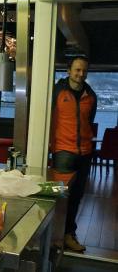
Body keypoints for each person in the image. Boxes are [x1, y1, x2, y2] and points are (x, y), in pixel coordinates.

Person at [51, 55, 97, 252]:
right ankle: (55, 236)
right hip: (63, 151)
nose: (81, 74)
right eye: (77, 70)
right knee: (61, 197)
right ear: (69, 70)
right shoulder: (57, 91)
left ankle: (69, 234)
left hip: (85, 153)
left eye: (84, 71)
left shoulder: (91, 95)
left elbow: (89, 121)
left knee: (77, 196)